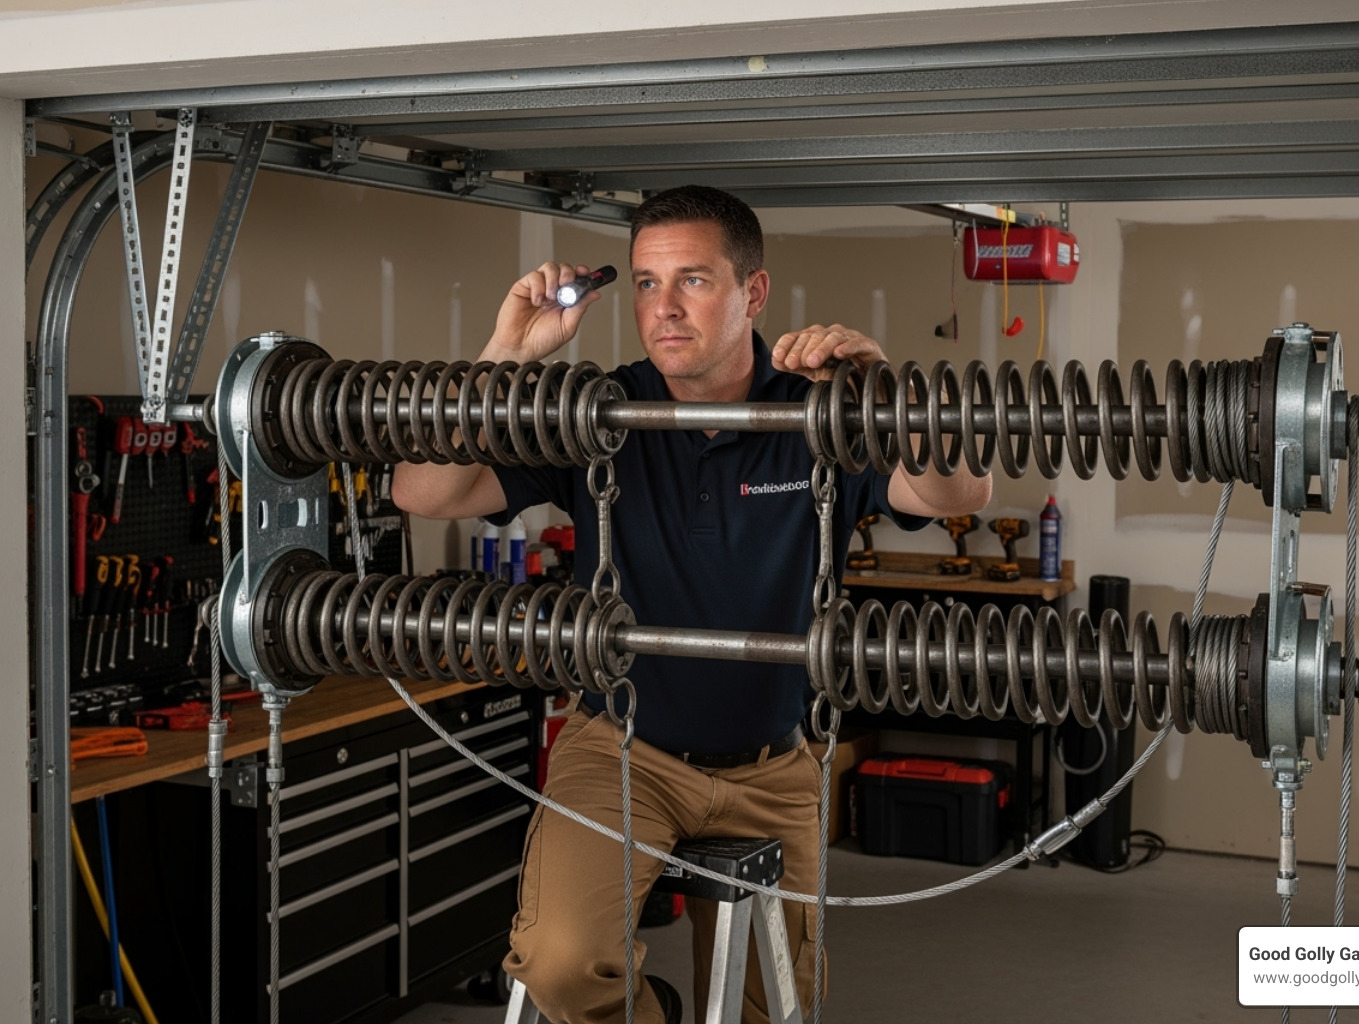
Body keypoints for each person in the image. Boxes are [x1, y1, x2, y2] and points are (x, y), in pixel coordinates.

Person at [392, 185, 992, 1024]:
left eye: (692, 282)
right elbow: (421, 489)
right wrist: (507, 351)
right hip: (622, 755)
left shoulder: (818, 407)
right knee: (563, 966)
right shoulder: (597, 413)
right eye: (644, 283)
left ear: (753, 292)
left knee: (776, 1009)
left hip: (776, 766)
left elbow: (958, 490)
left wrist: (885, 395)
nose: (663, 309)